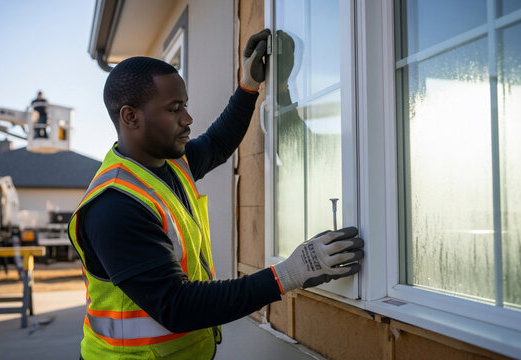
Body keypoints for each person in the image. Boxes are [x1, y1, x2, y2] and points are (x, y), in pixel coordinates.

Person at [68, 29, 364, 360]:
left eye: (186, 105)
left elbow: (218, 143)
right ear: (130, 116)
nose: (187, 118)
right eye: (174, 108)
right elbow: (176, 306)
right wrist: (289, 274)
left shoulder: (168, 165)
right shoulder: (115, 205)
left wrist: (249, 85)